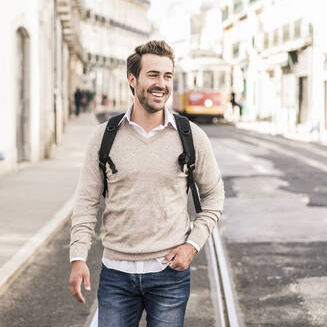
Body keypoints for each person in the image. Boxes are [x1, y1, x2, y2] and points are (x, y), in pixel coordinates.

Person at [68, 40, 224, 327]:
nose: (161, 84)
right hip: (116, 275)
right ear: (133, 79)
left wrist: (192, 245)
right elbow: (86, 201)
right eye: (153, 75)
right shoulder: (105, 136)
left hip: (170, 277)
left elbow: (214, 197)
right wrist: (78, 256)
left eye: (167, 76)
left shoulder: (192, 136)